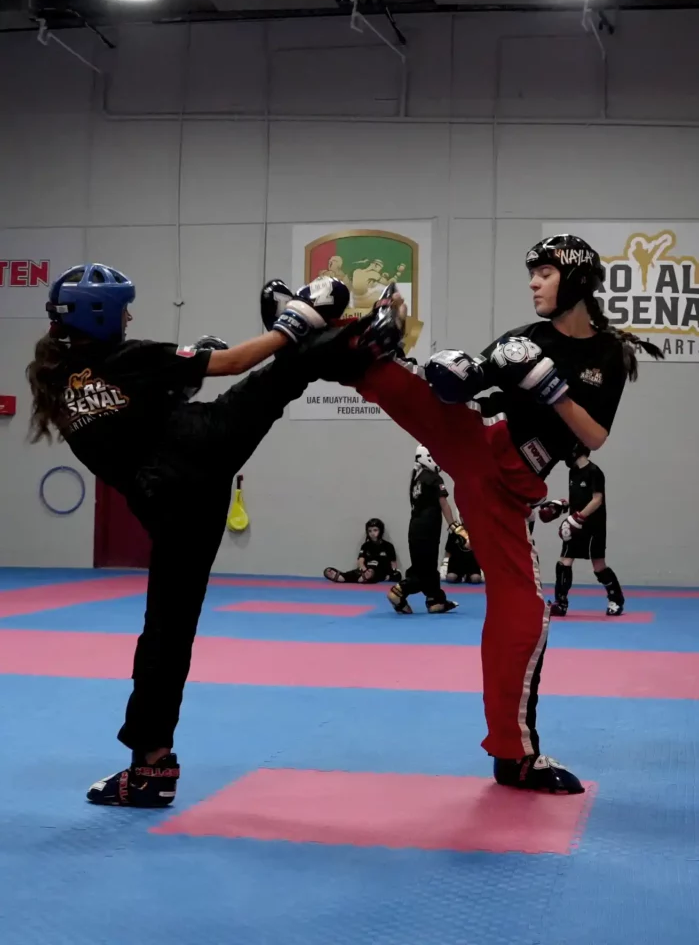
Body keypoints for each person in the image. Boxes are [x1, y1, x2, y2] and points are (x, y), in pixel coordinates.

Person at [26, 264, 381, 808]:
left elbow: (123, 423)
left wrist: (177, 381)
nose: (129, 317)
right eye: (123, 309)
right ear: (99, 316)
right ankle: (359, 340)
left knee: (166, 632)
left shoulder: (54, 380)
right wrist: (295, 318)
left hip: (170, 508)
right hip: (202, 447)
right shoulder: (128, 358)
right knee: (286, 370)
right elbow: (235, 362)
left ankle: (151, 768)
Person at [335, 233, 663, 794]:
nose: (533, 283)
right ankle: (328, 339)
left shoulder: (608, 354)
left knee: (524, 613)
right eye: (532, 273)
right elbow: (468, 389)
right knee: (404, 384)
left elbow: (595, 436)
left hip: (508, 491)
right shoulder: (524, 338)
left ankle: (513, 757)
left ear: (576, 280)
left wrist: (552, 389)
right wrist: (451, 370)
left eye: (545, 273)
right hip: (480, 441)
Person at [538, 447, 624, 617]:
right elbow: (578, 498)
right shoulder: (573, 472)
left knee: (598, 566)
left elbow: (597, 500)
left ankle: (616, 599)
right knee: (564, 562)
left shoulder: (595, 471)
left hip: (593, 525)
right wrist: (562, 506)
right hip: (574, 525)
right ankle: (560, 603)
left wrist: (579, 517)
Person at [387, 445, 460, 614]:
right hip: (428, 529)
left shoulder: (416, 479)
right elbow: (444, 504)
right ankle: (399, 591)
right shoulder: (433, 478)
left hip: (415, 528)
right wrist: (454, 526)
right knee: (424, 571)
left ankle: (435, 599)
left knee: (425, 566)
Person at [324, 517, 400, 584]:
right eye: (370, 531)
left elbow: (393, 563)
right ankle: (342, 577)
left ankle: (365, 578)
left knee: (397, 575)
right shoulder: (365, 545)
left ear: (381, 530)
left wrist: (392, 573)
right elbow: (360, 561)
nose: (372, 533)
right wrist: (365, 571)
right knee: (356, 572)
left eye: (375, 530)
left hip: (380, 571)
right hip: (366, 569)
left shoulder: (388, 546)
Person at [441, 520, 483, 584]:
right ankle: (459, 576)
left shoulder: (477, 531)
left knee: (475, 579)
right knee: (451, 578)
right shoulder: (454, 530)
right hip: (456, 563)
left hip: (472, 563)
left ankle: (468, 577)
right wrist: (445, 565)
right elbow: (448, 550)